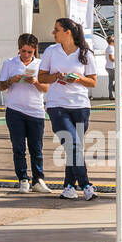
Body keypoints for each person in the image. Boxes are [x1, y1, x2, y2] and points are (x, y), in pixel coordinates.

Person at [39, 17, 99, 201]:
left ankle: (68, 187)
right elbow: (42, 77)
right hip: (57, 105)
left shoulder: (85, 53)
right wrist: (56, 76)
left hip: (80, 106)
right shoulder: (51, 51)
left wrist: (78, 79)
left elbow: (93, 82)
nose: (53, 33)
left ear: (68, 32)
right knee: (73, 144)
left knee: (74, 148)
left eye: (56, 29)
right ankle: (86, 184)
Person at [0, 33, 51, 194]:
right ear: (18, 49)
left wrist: (35, 82)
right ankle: (23, 179)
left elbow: (46, 88)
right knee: (18, 147)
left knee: (36, 148)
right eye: (23, 51)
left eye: (29, 52)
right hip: (15, 110)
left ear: (35, 51)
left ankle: (38, 179)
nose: (26, 55)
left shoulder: (41, 65)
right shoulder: (9, 63)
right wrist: (11, 81)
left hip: (35, 110)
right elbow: (1, 86)